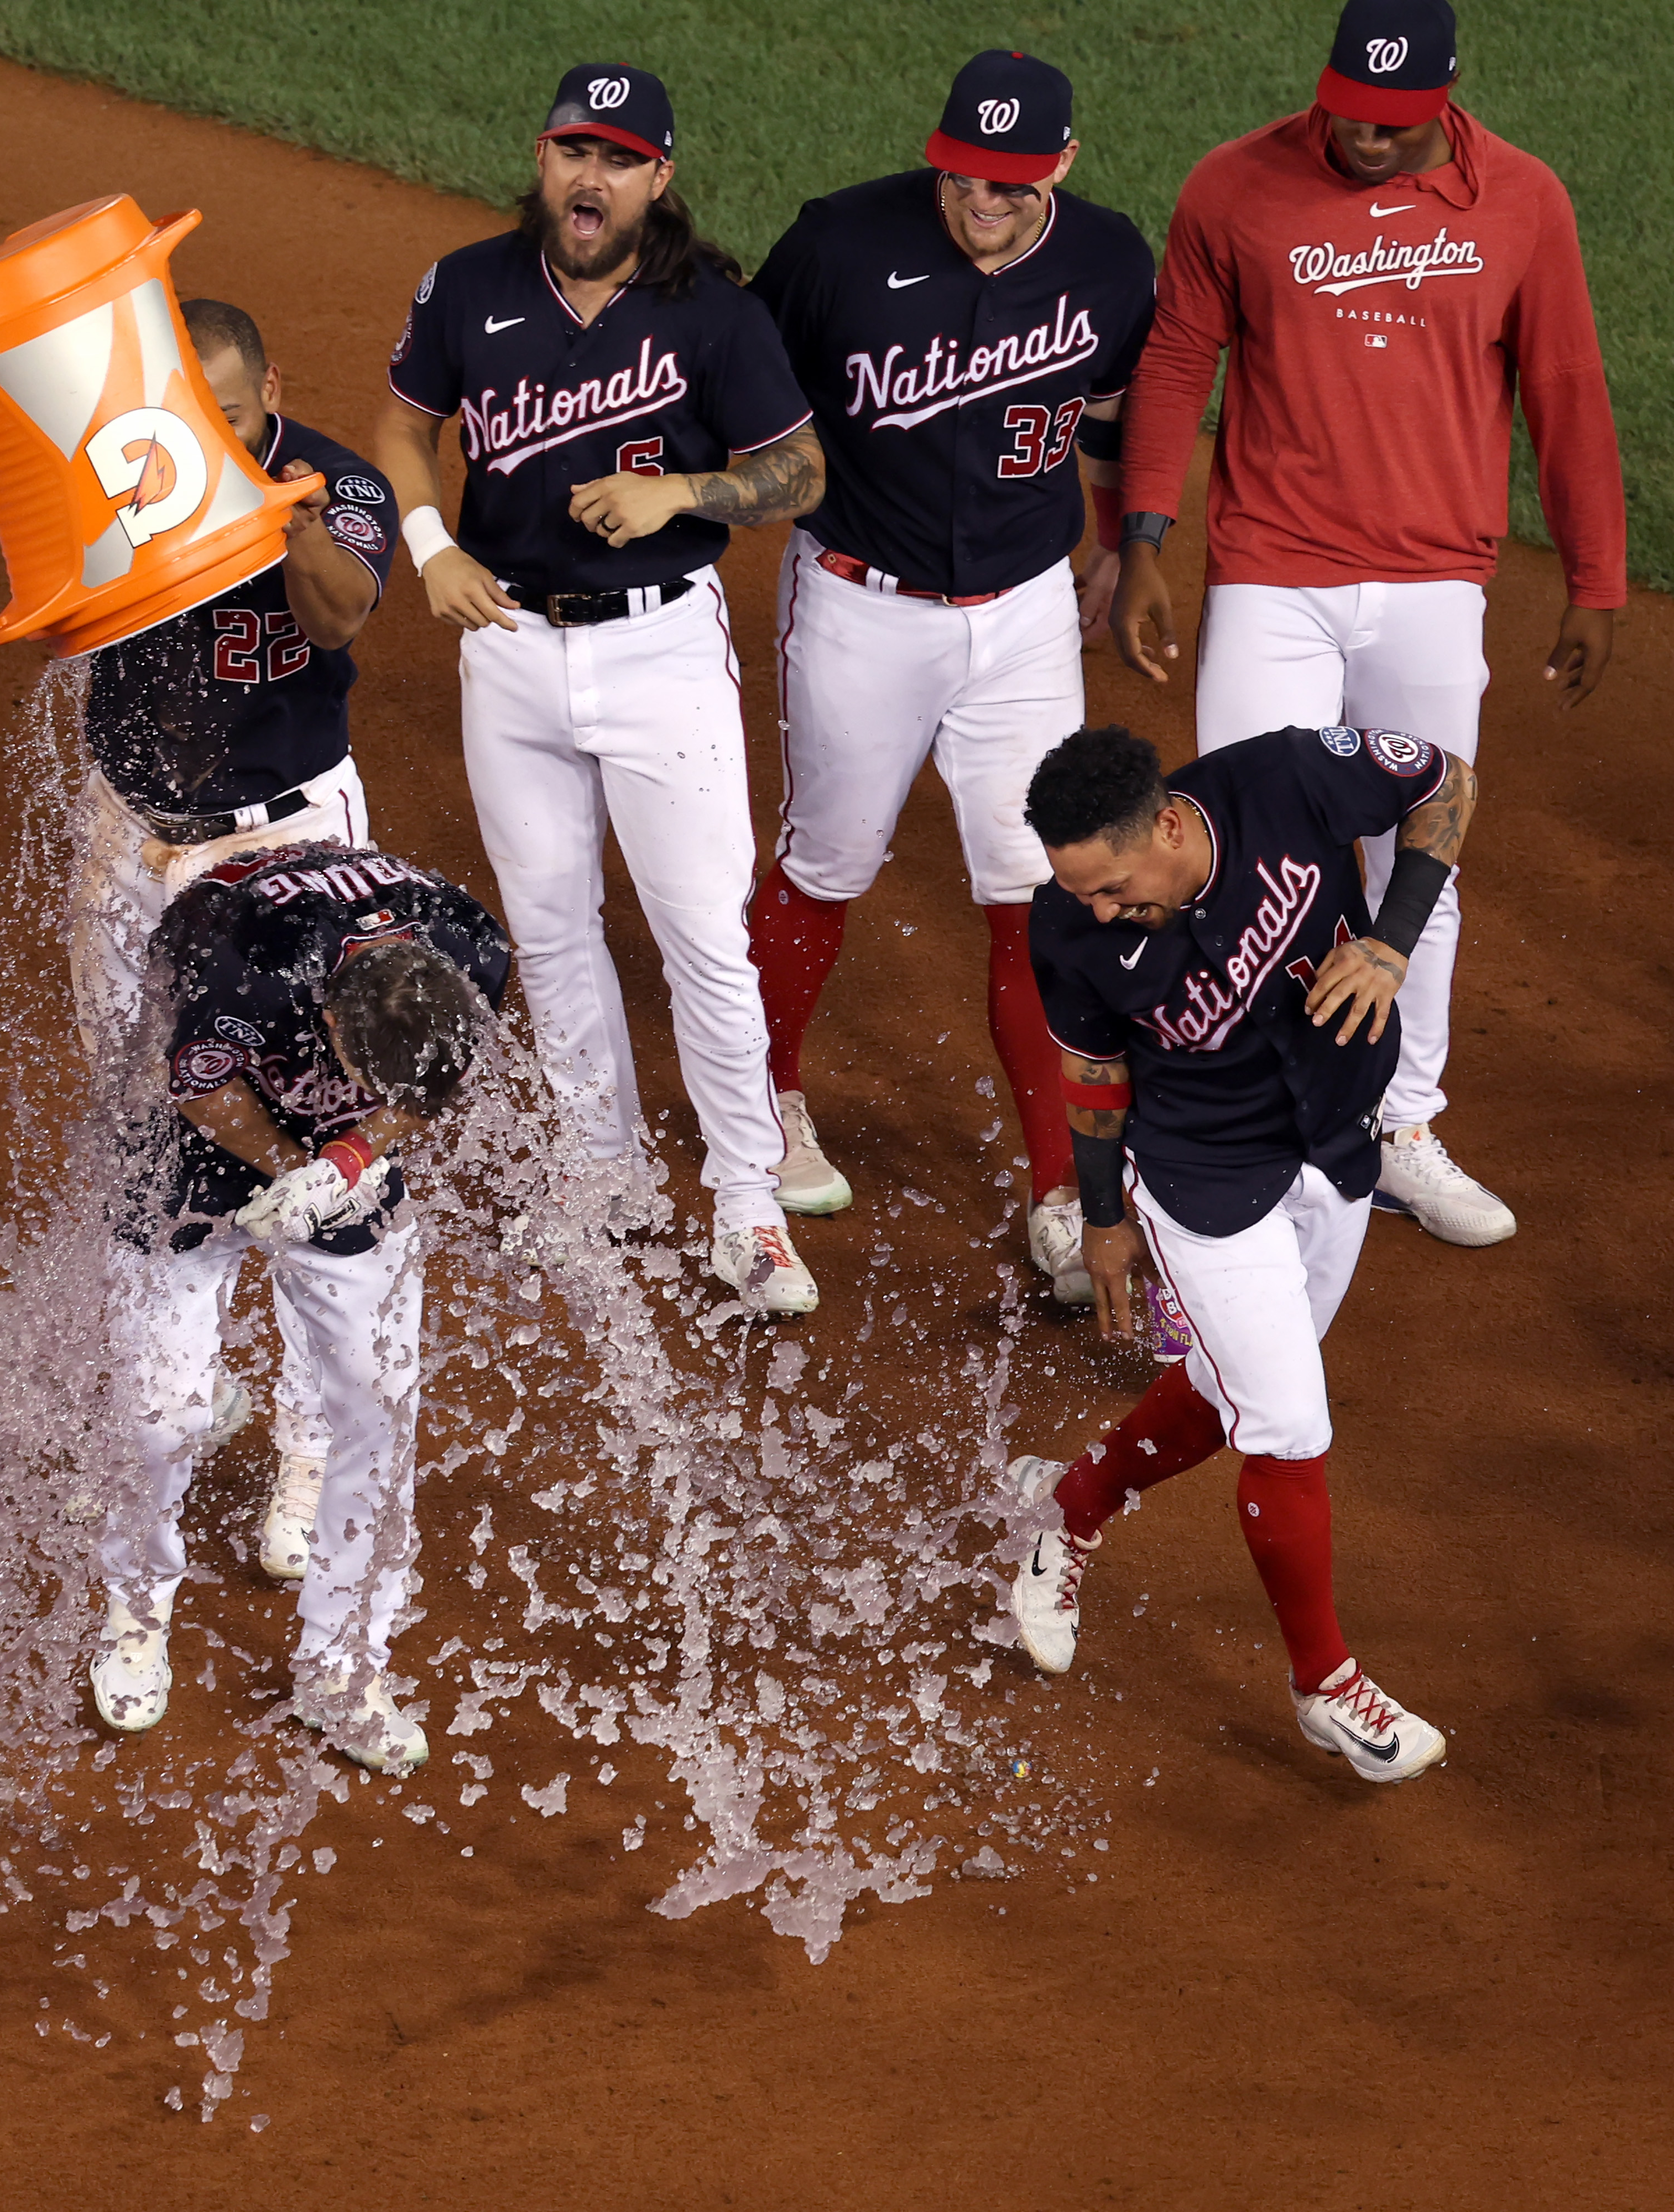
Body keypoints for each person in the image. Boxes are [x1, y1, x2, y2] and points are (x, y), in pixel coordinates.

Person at [1110, 0, 1623, 1249]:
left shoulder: (1526, 201)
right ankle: (1237, 1122)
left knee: (1418, 864)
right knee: (1231, 856)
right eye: (1349, 110)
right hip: (1272, 577)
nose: (1368, 138)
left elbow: (1561, 383)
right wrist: (1143, 538)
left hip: (1436, 585)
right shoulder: (1236, 187)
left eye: (1396, 124)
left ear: (1446, 99)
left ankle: (1399, 1126)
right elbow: (1178, 360)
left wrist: (1597, 578)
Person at [371, 62, 829, 1316]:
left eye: (620, 158)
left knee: (703, 943)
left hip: (659, 653)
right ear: (543, 156)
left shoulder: (712, 315)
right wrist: (433, 549)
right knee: (556, 929)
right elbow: (407, 425)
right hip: (508, 647)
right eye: (576, 150)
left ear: (657, 179)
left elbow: (796, 472)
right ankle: (605, 1177)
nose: (592, 176)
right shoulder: (467, 287)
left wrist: (679, 495)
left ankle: (750, 1209)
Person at [743, 50, 1156, 1307]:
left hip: (1027, 613)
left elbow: (1109, 406)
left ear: (1062, 169)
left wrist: (1117, 545)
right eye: (965, 173)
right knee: (828, 862)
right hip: (864, 602)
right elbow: (744, 383)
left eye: (1012, 181)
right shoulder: (836, 245)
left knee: (1038, 884)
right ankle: (765, 1110)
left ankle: (1054, 1189)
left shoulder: (1107, 260)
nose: (983, 197)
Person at [1009, 723, 1472, 1783]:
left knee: (1232, 1392)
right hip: (1203, 1181)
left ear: (1169, 826)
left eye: (1116, 887)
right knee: (1289, 1422)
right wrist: (1105, 1219)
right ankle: (1326, 1685)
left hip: (1338, 1149)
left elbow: (1449, 783)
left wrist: (1392, 938)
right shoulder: (1068, 931)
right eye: (1080, 893)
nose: (1097, 912)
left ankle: (1069, 1506)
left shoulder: (1286, 778)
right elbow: (1093, 1077)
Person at [68, 295, 400, 1568]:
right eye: (184, 408)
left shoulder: (340, 485)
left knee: (314, 1122)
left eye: (230, 406)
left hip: (289, 840)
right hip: (129, 838)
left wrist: (282, 513)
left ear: (271, 386)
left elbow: (336, 616)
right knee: (137, 1114)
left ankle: (313, 1444)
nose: (208, 428)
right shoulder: (120, 488)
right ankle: (163, 1401)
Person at [89, 841, 513, 1776]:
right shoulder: (233, 966)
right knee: (162, 1420)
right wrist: (290, 1170)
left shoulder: (471, 952)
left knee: (379, 1399)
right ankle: (136, 1610)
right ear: (326, 1018)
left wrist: (349, 1163)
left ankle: (343, 1669)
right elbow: (196, 1088)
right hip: (183, 1145)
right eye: (360, 1073)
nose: (373, 1096)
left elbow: (429, 1093)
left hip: (333, 1156)